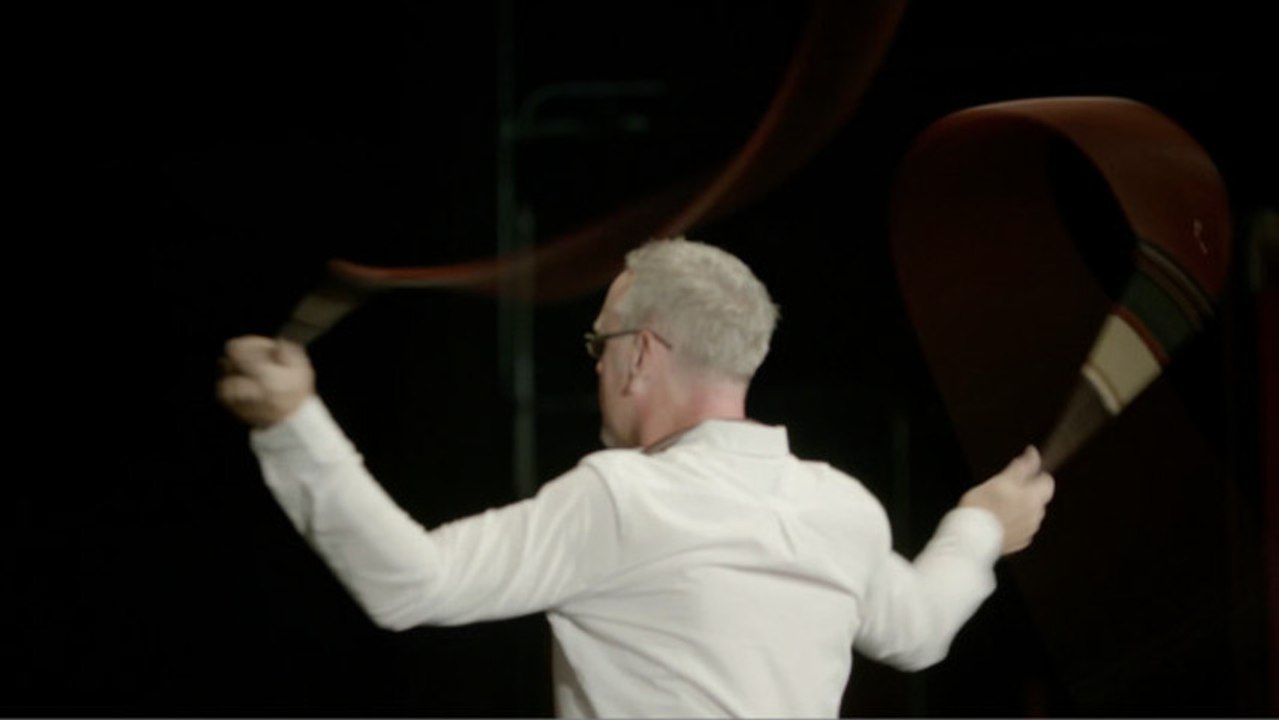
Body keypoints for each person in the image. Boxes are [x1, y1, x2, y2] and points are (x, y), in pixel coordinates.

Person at [218, 237, 1054, 718]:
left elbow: (411, 584)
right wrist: (980, 524)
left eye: (600, 344)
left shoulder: (623, 498)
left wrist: (292, 424)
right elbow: (917, 630)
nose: (596, 367)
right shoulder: (840, 507)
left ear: (640, 355)